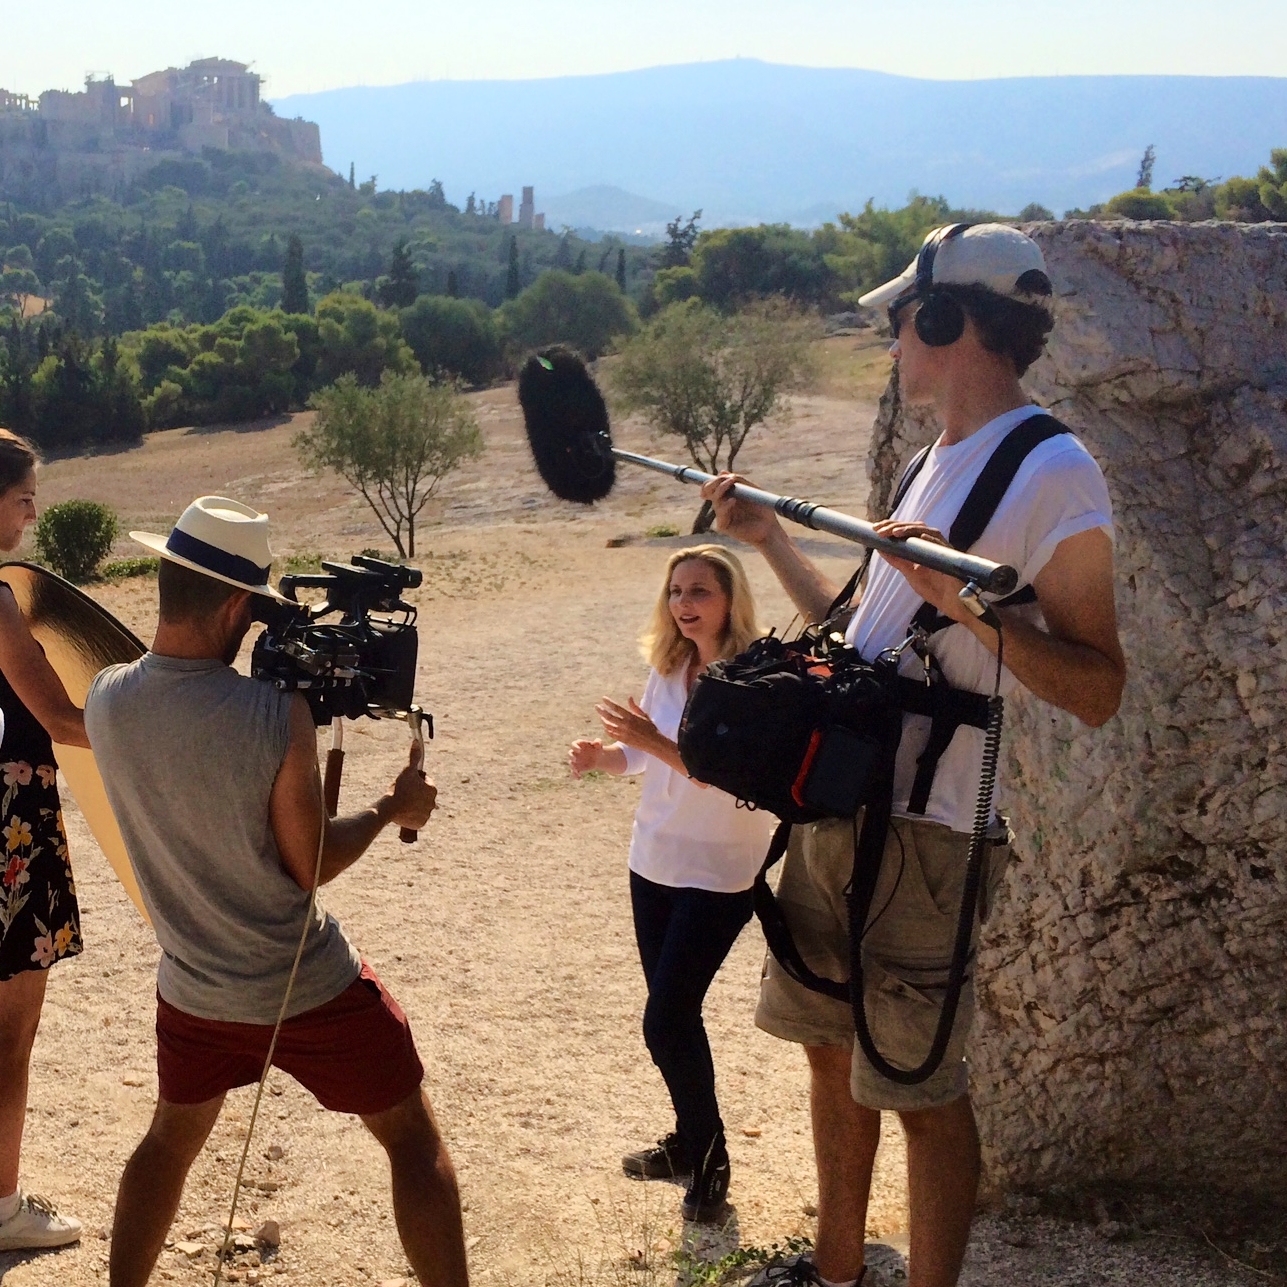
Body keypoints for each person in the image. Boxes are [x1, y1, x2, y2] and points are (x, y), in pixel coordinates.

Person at [702, 224, 1126, 1287]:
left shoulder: (1057, 471)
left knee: (924, 1090)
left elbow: (1098, 689)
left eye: (904, 319)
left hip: (931, 836)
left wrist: (973, 613)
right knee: (831, 1052)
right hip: (844, 808)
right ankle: (839, 1273)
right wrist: (772, 545)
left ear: (947, 320)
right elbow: (864, 649)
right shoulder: (927, 458)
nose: (892, 340)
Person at [83, 496, 467, 1287]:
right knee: (410, 1138)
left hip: (192, 989)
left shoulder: (108, 699)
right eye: (256, 613)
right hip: (304, 982)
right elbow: (311, 863)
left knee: (167, 1141)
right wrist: (392, 806)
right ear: (233, 602)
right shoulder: (274, 712)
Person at [569, 545, 773, 1223]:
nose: (685, 603)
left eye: (701, 591)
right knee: (673, 1015)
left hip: (720, 872)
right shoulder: (670, 663)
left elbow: (721, 772)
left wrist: (648, 740)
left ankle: (709, 1156)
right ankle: (690, 1142)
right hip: (652, 860)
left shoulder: (752, 676)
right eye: (677, 590)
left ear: (730, 598)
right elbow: (644, 756)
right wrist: (607, 755)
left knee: (664, 1018)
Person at [0, 429, 89, 1252]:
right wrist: (152, 726)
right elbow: (60, 716)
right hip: (9, 829)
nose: (34, 509)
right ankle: (2, 1211)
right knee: (10, 1032)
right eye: (25, 495)